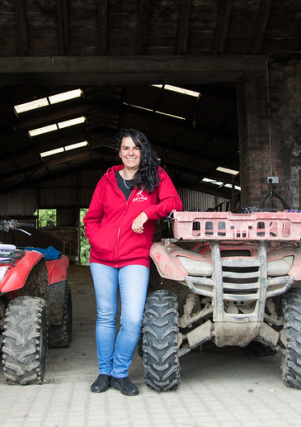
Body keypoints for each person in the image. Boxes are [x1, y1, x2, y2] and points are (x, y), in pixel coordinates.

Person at [83, 128, 183, 396]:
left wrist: (149, 212)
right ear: (119, 152)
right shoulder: (107, 181)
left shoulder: (155, 177)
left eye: (136, 148)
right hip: (102, 259)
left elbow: (175, 202)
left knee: (132, 319)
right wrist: (98, 241)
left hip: (135, 258)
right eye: (126, 148)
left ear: (143, 151)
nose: (130, 153)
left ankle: (120, 372)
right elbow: (90, 218)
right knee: (105, 317)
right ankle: (105, 372)